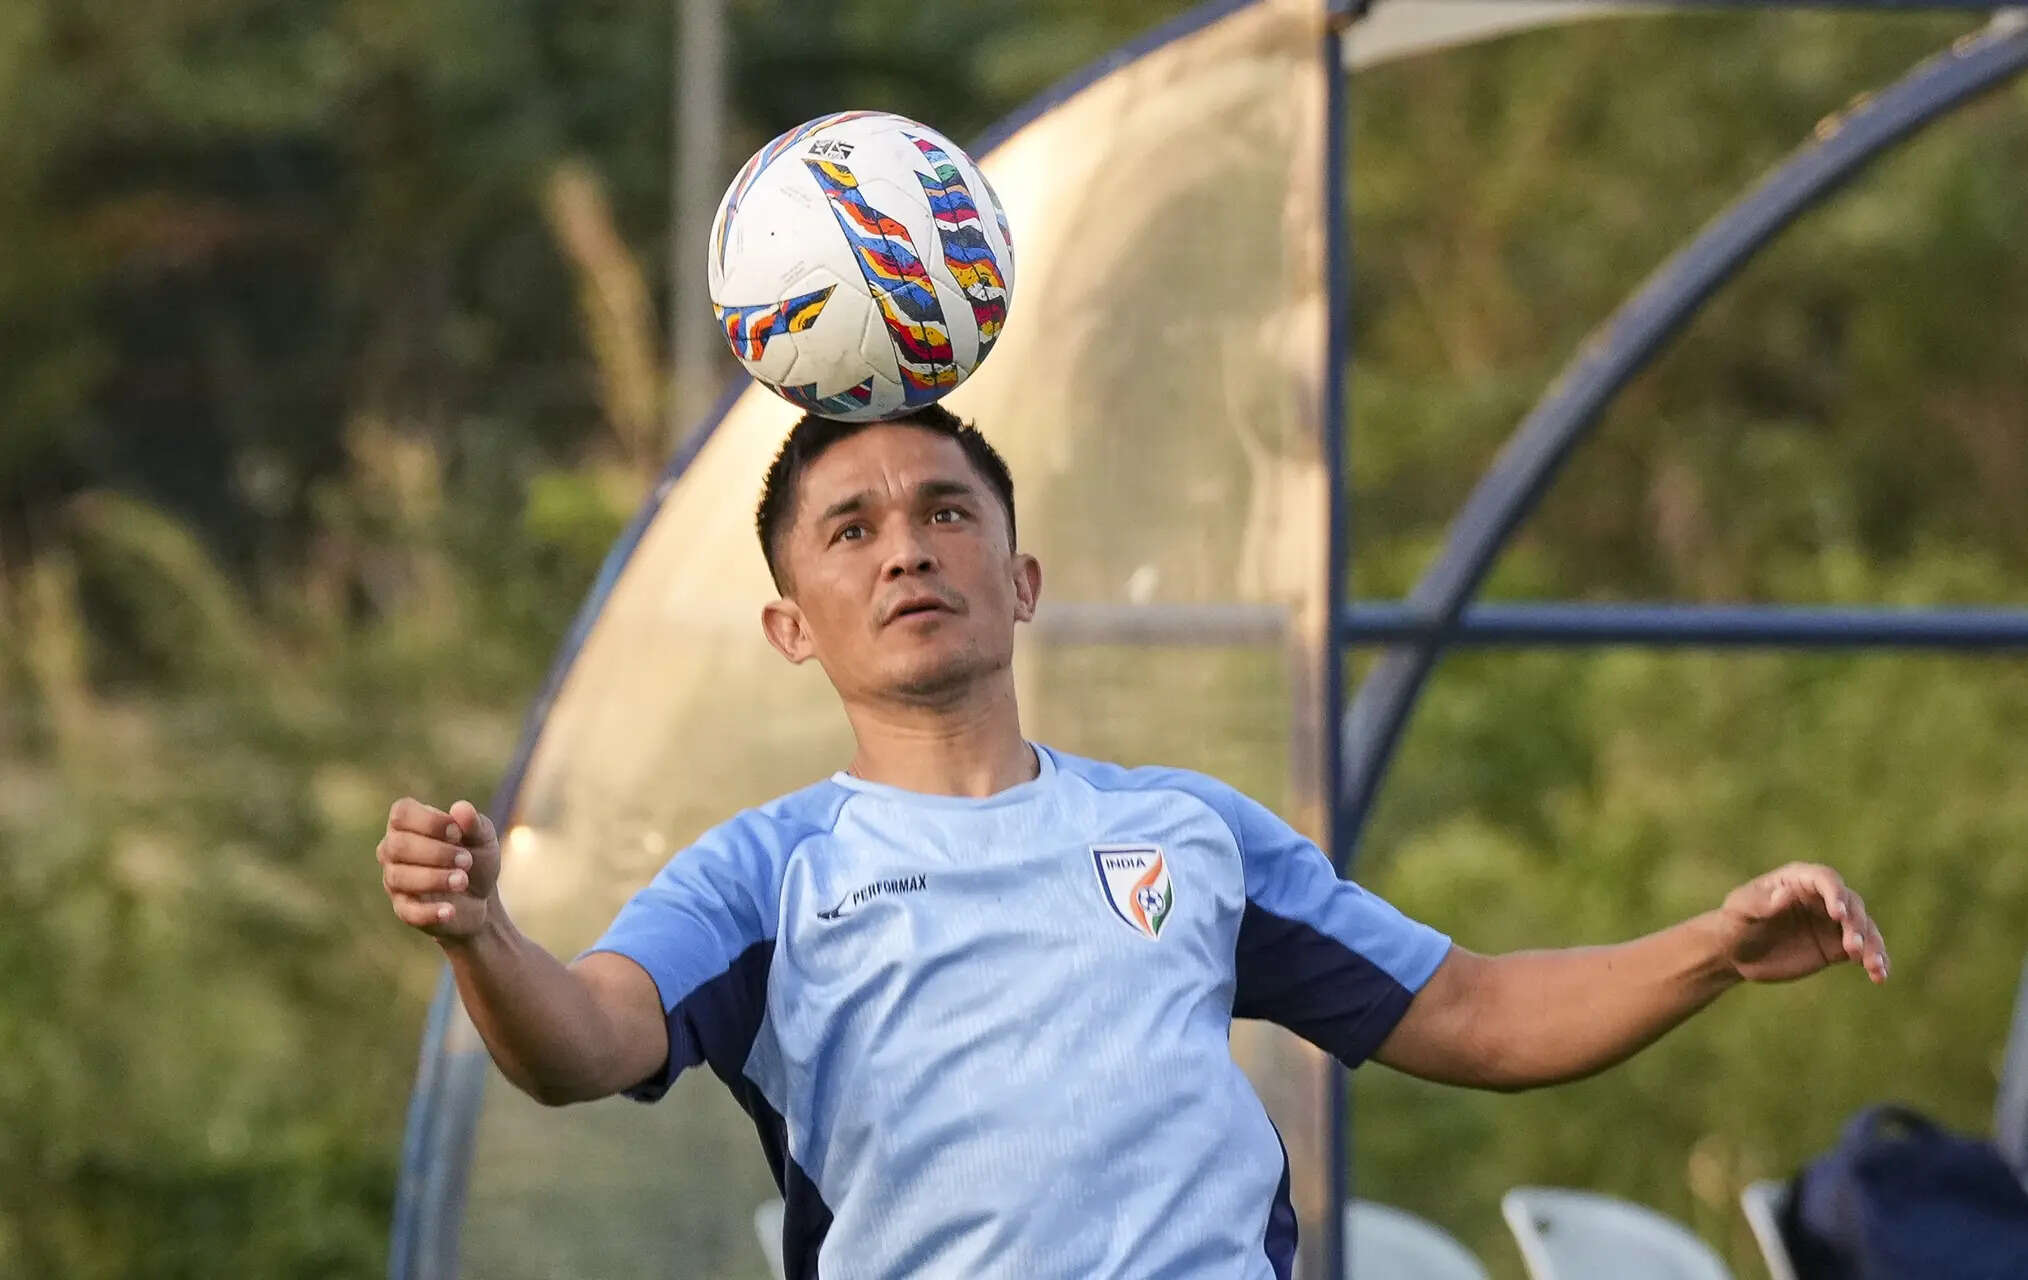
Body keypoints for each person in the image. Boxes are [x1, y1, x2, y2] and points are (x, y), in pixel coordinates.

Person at [377, 403, 1890, 1280]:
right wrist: (483, 935)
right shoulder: (763, 875)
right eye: (851, 529)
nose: (906, 549)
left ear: (1022, 578)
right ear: (792, 627)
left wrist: (1712, 948)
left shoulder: (1187, 830)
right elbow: (583, 1042)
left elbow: (1479, 1013)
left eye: (946, 513)